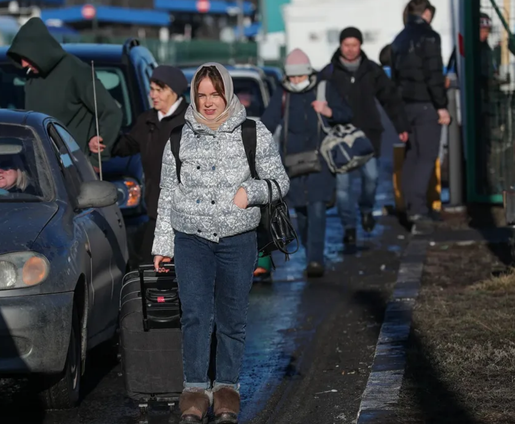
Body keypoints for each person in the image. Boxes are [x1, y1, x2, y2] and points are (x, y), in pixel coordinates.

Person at [151, 63, 289, 423]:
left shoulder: (253, 132)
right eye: (202, 95)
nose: (209, 102)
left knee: (232, 318)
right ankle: (195, 391)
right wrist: (163, 243)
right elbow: (168, 193)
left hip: (238, 239)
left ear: (227, 93)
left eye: (215, 94)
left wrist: (250, 192)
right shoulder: (179, 137)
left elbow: (280, 182)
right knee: (195, 315)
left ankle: (227, 389)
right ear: (194, 97)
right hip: (190, 239)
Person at [262, 48, 352, 277]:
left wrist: (328, 110)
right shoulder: (283, 93)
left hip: (320, 161)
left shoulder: (323, 89)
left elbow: (346, 113)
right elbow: (268, 123)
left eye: (299, 76)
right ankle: (311, 253)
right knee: (301, 213)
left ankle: (315, 260)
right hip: (292, 164)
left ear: (308, 73)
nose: (295, 81)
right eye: (292, 77)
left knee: (318, 209)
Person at [321, 27, 410, 244]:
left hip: (368, 136)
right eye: (346, 45)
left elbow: (390, 98)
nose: (350, 50)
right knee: (343, 187)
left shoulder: (372, 70)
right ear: (340, 46)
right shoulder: (329, 72)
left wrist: (401, 125)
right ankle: (349, 227)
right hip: (339, 139)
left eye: (355, 45)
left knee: (371, 179)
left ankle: (367, 210)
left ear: (360, 45)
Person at [92, 65, 189, 264]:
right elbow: (128, 145)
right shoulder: (147, 120)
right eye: (151, 89)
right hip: (155, 212)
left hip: (186, 216)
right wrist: (105, 143)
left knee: (183, 273)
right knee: (148, 270)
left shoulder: (190, 121)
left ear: (173, 91)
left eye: (158, 90)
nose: (152, 94)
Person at [7, 17, 123, 168]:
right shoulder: (32, 78)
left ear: (38, 50)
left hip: (74, 167)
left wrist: (95, 161)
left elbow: (111, 112)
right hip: (41, 166)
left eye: (26, 57)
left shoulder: (76, 71)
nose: (23, 64)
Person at [391, 0, 449, 232]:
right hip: (426, 104)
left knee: (413, 157)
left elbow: (395, 77)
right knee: (426, 157)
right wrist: (441, 106)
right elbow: (433, 74)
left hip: (406, 105)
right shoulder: (429, 37)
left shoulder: (399, 38)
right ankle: (418, 210)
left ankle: (411, 207)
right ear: (426, 13)